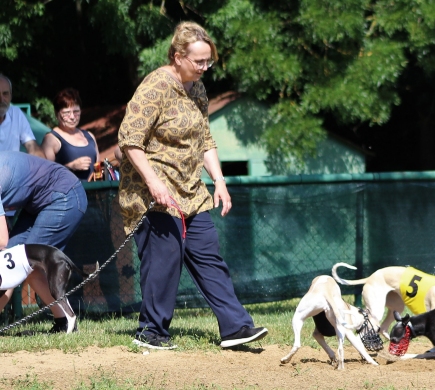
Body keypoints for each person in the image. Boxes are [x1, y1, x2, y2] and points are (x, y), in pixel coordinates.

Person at [118, 21, 267, 350]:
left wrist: (219, 181)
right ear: (177, 56)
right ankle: (151, 332)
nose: (204, 67)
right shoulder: (155, 86)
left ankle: (236, 328)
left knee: (208, 254)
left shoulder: (197, 89)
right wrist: (154, 184)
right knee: (165, 257)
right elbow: (129, 139)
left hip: (190, 189)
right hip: (151, 190)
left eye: (208, 61)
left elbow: (205, 139)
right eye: (199, 61)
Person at [0, 151, 88, 332]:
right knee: (10, 264)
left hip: (65, 194)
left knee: (25, 264)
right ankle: (64, 321)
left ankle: (66, 322)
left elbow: (2, 240)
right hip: (37, 202)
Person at [42, 88, 99, 181]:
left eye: (76, 112)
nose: (72, 117)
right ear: (57, 114)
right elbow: (45, 174)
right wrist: (71, 166)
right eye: (66, 113)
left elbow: (98, 167)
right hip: (67, 193)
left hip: (93, 193)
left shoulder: (90, 136)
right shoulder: (51, 139)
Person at [0, 74, 45, 158]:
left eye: (5, 94)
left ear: (11, 96)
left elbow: (33, 148)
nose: (1, 99)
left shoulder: (16, 114)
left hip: (13, 170)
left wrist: (44, 168)